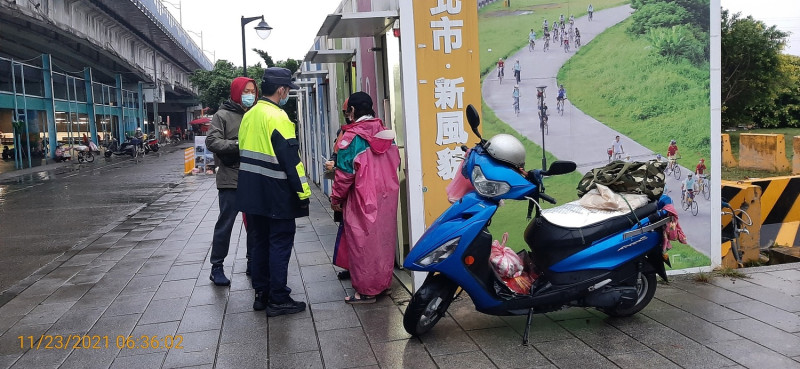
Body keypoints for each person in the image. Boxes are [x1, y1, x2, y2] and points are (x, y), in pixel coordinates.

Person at [237, 67, 311, 316]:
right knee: (279, 244)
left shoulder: (249, 115)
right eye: (288, 89)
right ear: (281, 90)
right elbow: (291, 161)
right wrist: (303, 193)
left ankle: (262, 294)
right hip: (276, 194)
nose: (287, 93)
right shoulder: (278, 117)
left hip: (251, 193)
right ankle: (278, 298)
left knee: (259, 243)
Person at [330, 92, 401, 304]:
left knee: (362, 244)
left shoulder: (352, 138)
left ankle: (366, 291)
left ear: (352, 111)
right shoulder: (386, 134)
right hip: (387, 194)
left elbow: (344, 174)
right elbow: (395, 162)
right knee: (384, 241)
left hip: (362, 197)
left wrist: (336, 198)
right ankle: (383, 284)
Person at [205, 76, 258, 286]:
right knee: (225, 224)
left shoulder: (256, 113)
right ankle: (216, 266)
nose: (250, 95)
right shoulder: (222, 115)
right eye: (246, 91)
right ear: (236, 92)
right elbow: (212, 141)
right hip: (230, 178)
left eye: (253, 91)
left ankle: (253, 261)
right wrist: (239, 145)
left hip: (253, 176)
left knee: (254, 224)